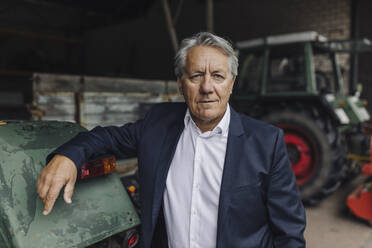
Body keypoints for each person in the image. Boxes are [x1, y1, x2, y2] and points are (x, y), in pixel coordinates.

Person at [37, 32, 306, 248]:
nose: (207, 87)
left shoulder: (266, 142)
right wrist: (68, 156)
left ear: (232, 84)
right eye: (196, 75)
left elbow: (290, 232)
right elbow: (107, 137)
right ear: (180, 84)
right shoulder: (158, 124)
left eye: (218, 76)